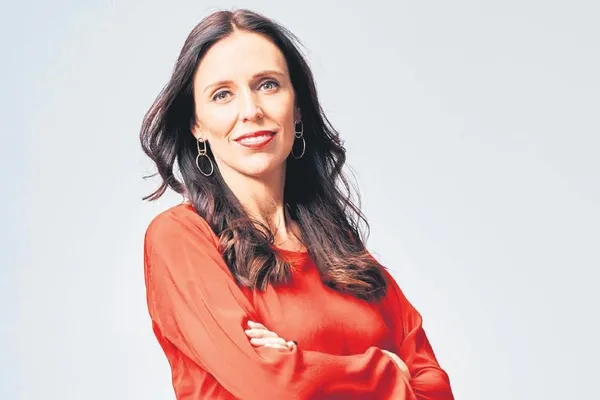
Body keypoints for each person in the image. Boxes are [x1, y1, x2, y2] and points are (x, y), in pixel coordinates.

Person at [140, 8, 454, 400]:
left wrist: (301, 364)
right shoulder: (180, 238)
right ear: (196, 124)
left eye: (268, 85)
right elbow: (274, 387)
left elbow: (437, 389)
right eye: (222, 95)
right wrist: (388, 371)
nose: (251, 110)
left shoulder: (341, 249)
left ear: (298, 106)